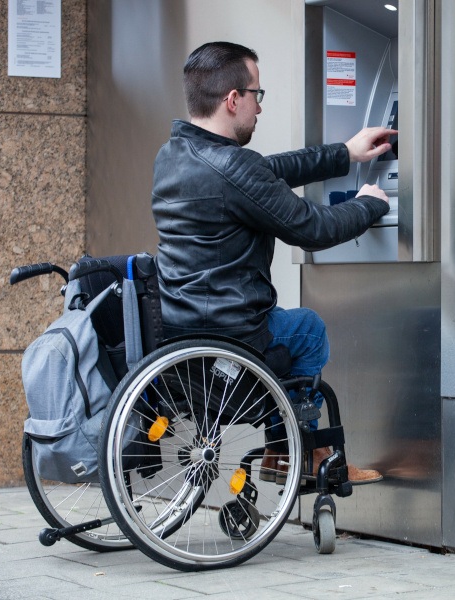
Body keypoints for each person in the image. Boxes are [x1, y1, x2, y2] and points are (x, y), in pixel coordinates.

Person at [151, 41, 395, 484]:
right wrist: (371, 204)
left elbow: (266, 171)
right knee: (308, 329)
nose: (259, 108)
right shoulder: (232, 169)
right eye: (256, 95)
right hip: (234, 336)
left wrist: (346, 153)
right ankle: (305, 452)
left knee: (294, 328)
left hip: (182, 333)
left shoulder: (173, 157)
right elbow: (313, 229)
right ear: (233, 100)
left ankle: (281, 453)